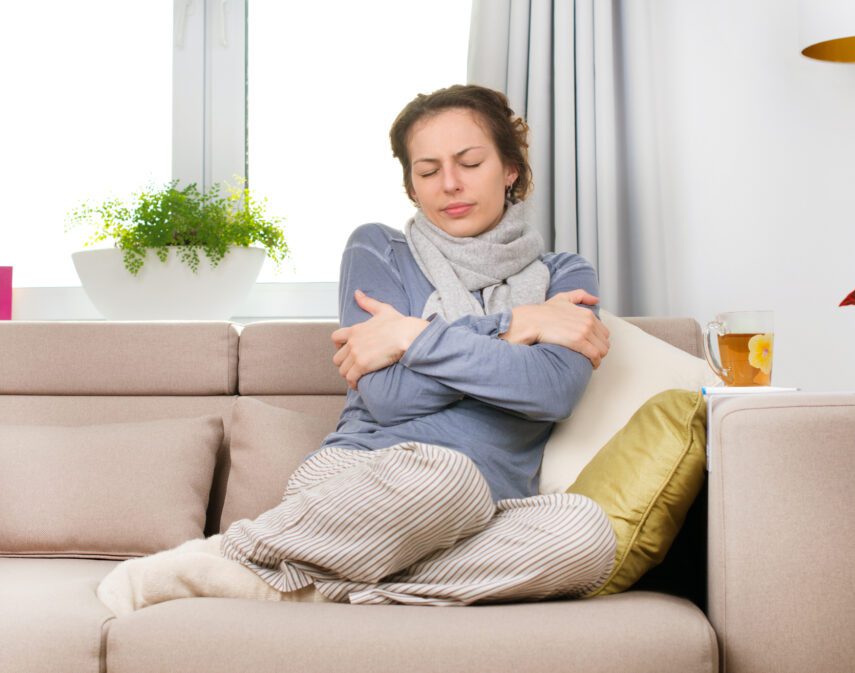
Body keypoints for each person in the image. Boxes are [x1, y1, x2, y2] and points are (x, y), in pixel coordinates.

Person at [98, 84, 615, 611]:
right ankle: (240, 552)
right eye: (428, 170)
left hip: (488, 510)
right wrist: (517, 326)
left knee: (587, 535)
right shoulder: (378, 249)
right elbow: (392, 397)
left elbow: (552, 390)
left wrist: (411, 335)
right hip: (365, 481)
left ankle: (296, 582)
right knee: (447, 474)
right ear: (411, 186)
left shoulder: (565, 276)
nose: (450, 184)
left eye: (470, 162)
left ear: (510, 169)